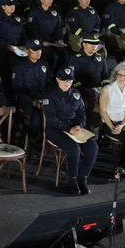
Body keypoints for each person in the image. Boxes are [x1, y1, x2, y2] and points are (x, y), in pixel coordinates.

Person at [43, 67, 98, 195]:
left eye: (69, 80)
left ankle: (82, 178)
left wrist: (79, 125)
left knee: (92, 147)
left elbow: (81, 113)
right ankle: (71, 182)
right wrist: (69, 129)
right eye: (64, 80)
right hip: (55, 130)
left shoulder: (76, 94)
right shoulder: (49, 95)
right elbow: (51, 119)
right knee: (74, 149)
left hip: (74, 129)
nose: (67, 83)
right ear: (57, 80)